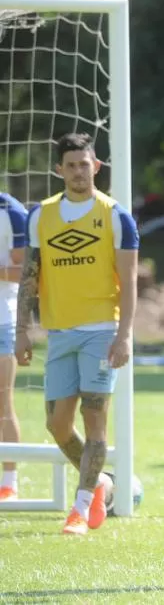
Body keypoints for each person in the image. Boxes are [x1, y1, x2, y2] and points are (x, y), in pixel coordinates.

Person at [15, 132, 139, 534]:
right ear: (59, 170)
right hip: (59, 332)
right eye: (70, 165)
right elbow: (30, 279)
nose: (78, 172)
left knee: (95, 419)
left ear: (96, 166)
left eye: (84, 164)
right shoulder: (41, 216)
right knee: (56, 425)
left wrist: (124, 335)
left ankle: (81, 508)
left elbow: (130, 280)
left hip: (101, 331)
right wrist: (22, 331)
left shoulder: (116, 215)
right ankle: (100, 482)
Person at [0, 192, 28, 501]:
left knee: (3, 403)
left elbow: (24, 271)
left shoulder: (11, 211)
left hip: (2, 322)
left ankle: (9, 481)